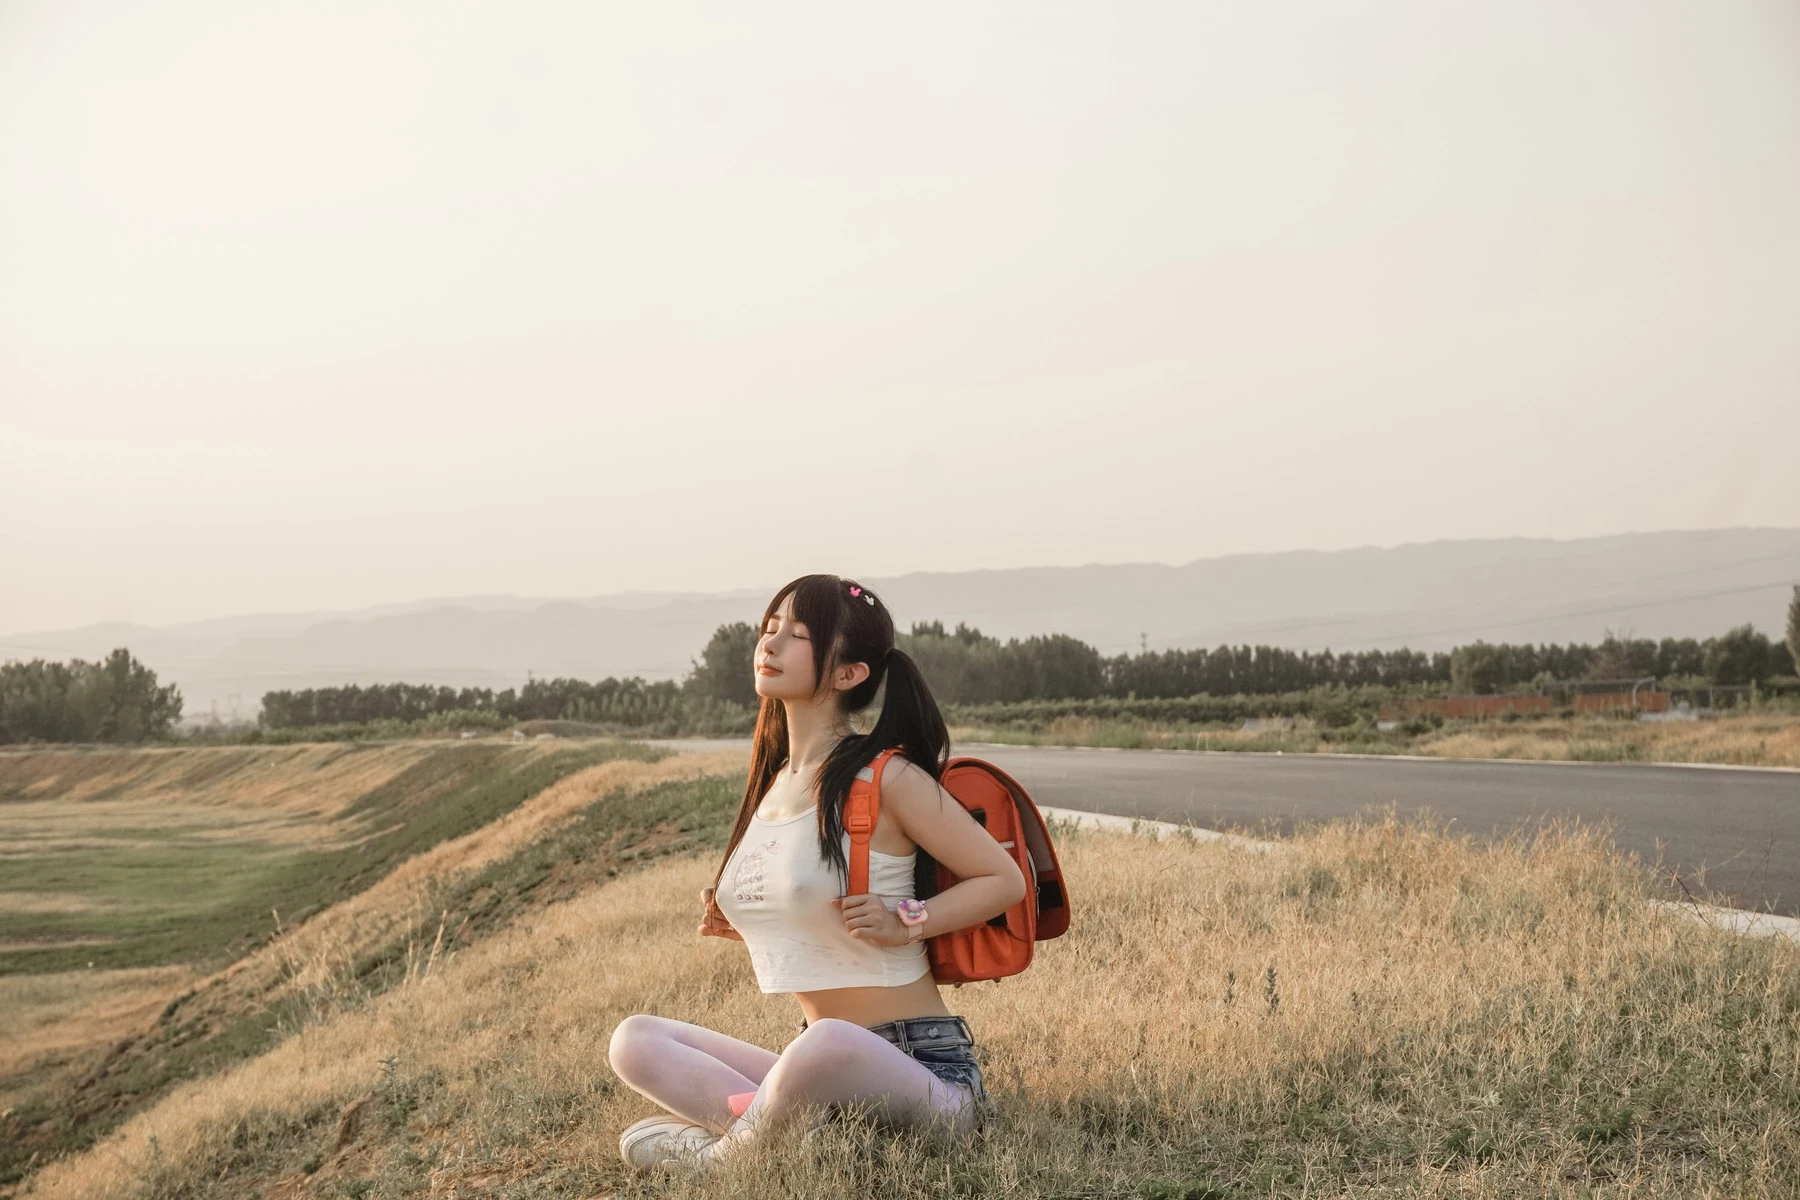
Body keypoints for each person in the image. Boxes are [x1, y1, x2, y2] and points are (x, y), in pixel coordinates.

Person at [605, 574, 1027, 1175]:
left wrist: (910, 921)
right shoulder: (773, 784)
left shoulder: (888, 779)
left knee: (826, 1041)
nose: (769, 644)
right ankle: (797, 1137)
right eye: (769, 628)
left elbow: (1004, 880)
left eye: (795, 634)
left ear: (848, 674)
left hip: (922, 1075)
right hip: (820, 1073)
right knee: (635, 1040)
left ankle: (721, 1161)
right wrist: (741, 914)